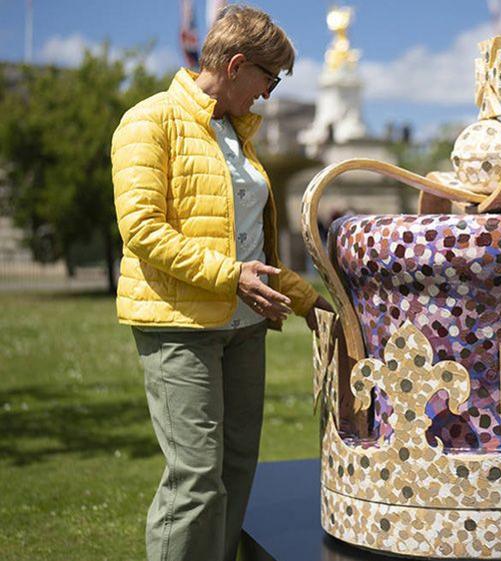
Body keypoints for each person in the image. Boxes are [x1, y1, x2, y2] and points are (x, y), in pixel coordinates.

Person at [111, 6, 332, 560]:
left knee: (235, 472)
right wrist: (230, 277)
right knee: (196, 480)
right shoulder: (149, 121)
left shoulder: (236, 135)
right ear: (237, 65)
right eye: (269, 78)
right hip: (180, 328)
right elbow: (142, 230)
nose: (269, 93)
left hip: (245, 329)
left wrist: (306, 300)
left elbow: (245, 243)